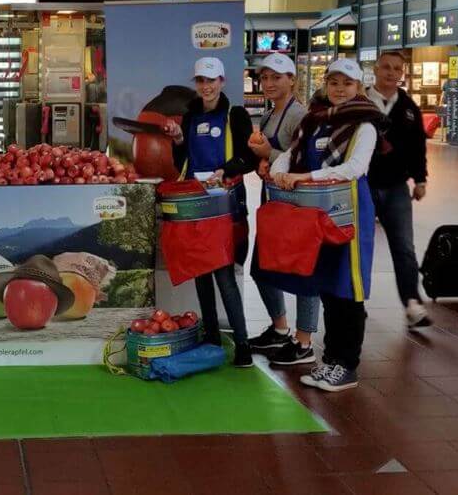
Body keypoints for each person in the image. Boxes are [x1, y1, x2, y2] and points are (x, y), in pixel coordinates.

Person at [271, 58, 387, 392]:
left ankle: (347, 365)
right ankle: (332, 360)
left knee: (348, 290)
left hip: (348, 214)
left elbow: (354, 168)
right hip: (317, 216)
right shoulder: (315, 121)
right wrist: (280, 169)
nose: (339, 89)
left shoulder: (364, 125)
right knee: (329, 288)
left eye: (347, 84)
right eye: (334, 83)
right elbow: (291, 152)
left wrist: (305, 176)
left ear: (359, 87)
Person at [166, 57, 257, 368]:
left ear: (222, 81)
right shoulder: (189, 118)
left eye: (211, 80)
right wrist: (178, 140)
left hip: (226, 202)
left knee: (223, 273)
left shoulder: (236, 115)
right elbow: (182, 162)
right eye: (201, 81)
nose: (206, 86)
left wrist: (225, 170)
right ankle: (212, 335)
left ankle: (242, 344)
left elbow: (250, 158)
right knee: (200, 270)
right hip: (196, 201)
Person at [246, 54, 320, 366]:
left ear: (292, 79)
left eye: (277, 77)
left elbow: (304, 162)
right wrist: (261, 163)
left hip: (297, 207)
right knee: (262, 268)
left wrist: (269, 153)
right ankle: (279, 329)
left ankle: (304, 342)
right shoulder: (267, 116)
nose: (269, 83)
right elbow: (274, 161)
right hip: (274, 202)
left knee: (304, 271)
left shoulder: (299, 116)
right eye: (265, 78)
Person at [366, 51, 432, 329]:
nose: (391, 73)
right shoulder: (360, 102)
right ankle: (355, 301)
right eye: (386, 67)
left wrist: (420, 179)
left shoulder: (408, 108)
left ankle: (412, 302)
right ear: (375, 69)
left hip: (395, 187)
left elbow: (418, 146)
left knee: (404, 246)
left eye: (396, 69)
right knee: (358, 246)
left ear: (402, 73)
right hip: (363, 186)